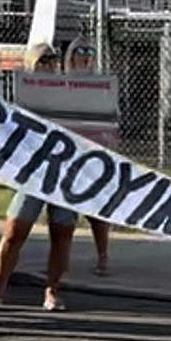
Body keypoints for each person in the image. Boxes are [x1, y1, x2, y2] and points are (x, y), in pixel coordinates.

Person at [0, 42, 91, 313]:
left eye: (51, 59)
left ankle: (53, 291)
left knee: (62, 233)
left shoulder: (67, 92)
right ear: (30, 65)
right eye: (41, 60)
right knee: (14, 232)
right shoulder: (22, 96)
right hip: (32, 172)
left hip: (63, 172)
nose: (47, 64)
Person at [63, 37, 110, 275]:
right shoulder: (61, 85)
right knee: (64, 212)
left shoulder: (99, 85)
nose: (85, 55)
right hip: (67, 153)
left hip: (92, 153)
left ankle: (103, 256)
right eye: (80, 51)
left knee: (97, 210)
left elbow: (109, 116)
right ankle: (62, 259)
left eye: (89, 51)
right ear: (70, 56)